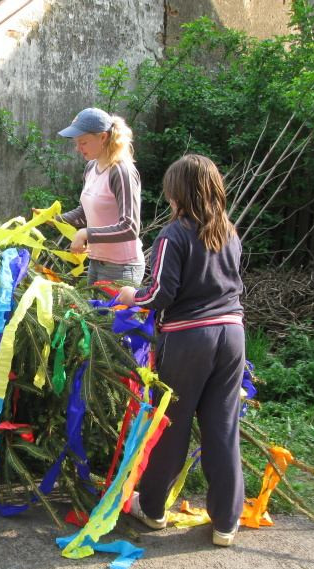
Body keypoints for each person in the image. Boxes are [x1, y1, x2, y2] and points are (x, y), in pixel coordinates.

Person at [116, 154, 245, 547]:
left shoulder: (173, 235)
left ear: (179, 193)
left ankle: (152, 508)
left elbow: (160, 293)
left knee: (171, 424)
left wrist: (131, 296)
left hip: (190, 339)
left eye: (170, 191)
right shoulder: (230, 232)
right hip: (232, 335)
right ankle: (226, 523)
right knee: (222, 427)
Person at [58, 107, 144, 285]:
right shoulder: (91, 167)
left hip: (122, 267)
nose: (78, 148)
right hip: (96, 261)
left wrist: (86, 234)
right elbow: (85, 213)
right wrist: (55, 219)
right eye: (76, 143)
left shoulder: (121, 172)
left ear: (103, 137)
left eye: (83, 142)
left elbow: (130, 227)